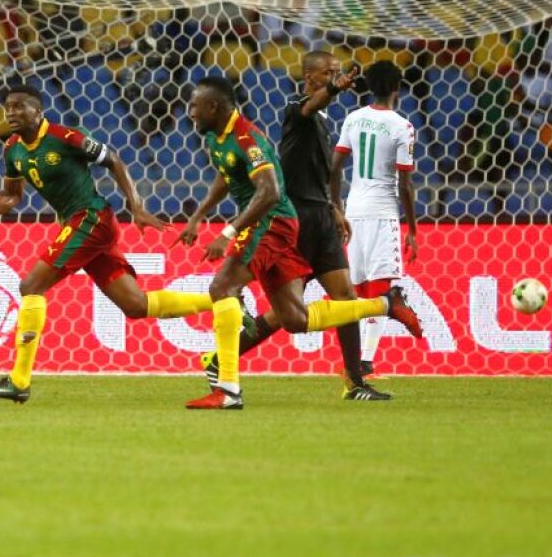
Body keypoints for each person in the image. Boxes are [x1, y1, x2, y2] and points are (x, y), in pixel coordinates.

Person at [0, 85, 221, 404]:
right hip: (78, 225)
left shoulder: (65, 137)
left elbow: (114, 160)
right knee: (135, 305)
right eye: (7, 107)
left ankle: (19, 381)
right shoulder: (12, 149)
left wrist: (136, 206)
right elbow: (13, 196)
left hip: (91, 218)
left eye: (19, 107)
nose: (11, 113)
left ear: (38, 112)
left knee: (31, 286)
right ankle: (223, 302)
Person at [175, 76, 423, 410]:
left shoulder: (248, 137)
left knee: (222, 288)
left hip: (271, 222)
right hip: (289, 220)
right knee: (293, 318)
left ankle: (228, 389)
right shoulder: (220, 139)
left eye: (194, 106)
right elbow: (227, 171)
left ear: (213, 106)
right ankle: (385, 304)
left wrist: (227, 232)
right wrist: (198, 215)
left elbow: (269, 192)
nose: (189, 112)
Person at [330, 61, 419, 376]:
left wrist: (335, 206)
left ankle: (355, 362)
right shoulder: (402, 126)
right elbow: (405, 183)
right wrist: (412, 229)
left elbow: (335, 165)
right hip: (383, 213)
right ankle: (364, 360)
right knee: (380, 288)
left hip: (353, 211)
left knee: (354, 287)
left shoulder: (353, 119)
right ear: (397, 88)